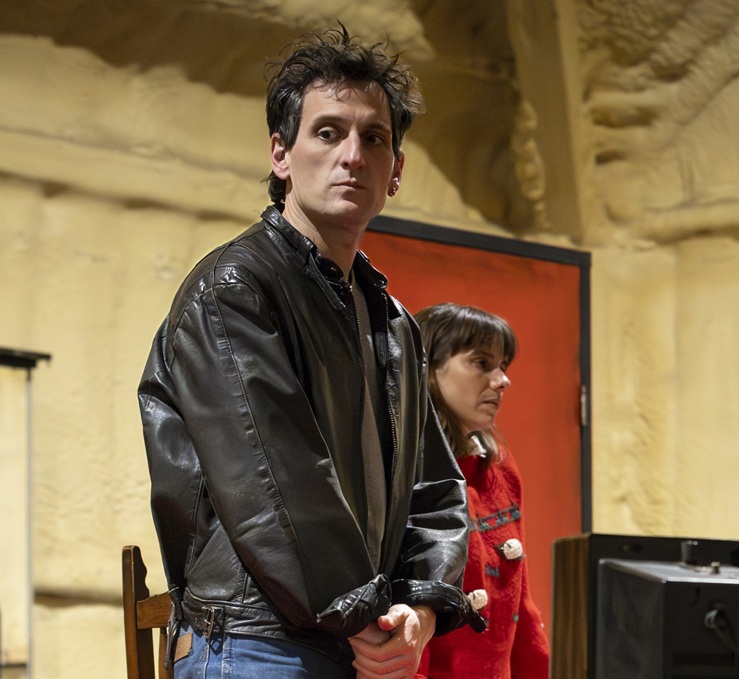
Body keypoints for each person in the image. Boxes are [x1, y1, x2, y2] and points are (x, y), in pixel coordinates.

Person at [137, 27, 483, 679]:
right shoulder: (235, 289)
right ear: (281, 154)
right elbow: (275, 491)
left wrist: (421, 609)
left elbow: (436, 490)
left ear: (396, 171)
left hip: (356, 640)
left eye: (374, 138)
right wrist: (371, 616)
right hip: (256, 645)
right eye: (328, 132)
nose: (352, 155)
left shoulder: (393, 323)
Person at [414, 303, 550, 679]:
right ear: (427, 367)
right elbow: (405, 613)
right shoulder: (405, 471)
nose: (502, 381)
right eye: (481, 363)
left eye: (502, 366)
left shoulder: (500, 467)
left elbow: (521, 602)